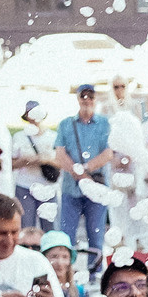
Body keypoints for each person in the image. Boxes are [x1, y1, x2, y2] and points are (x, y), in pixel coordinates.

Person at [53, 86, 120, 258]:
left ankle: (94, 275)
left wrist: (86, 169)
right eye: (83, 96)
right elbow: (60, 154)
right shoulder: (66, 124)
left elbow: (108, 153)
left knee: (96, 236)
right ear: (78, 99)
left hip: (96, 188)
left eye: (90, 96)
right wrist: (80, 174)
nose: (86, 100)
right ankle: (67, 274)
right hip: (71, 188)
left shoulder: (105, 123)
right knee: (66, 236)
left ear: (95, 99)